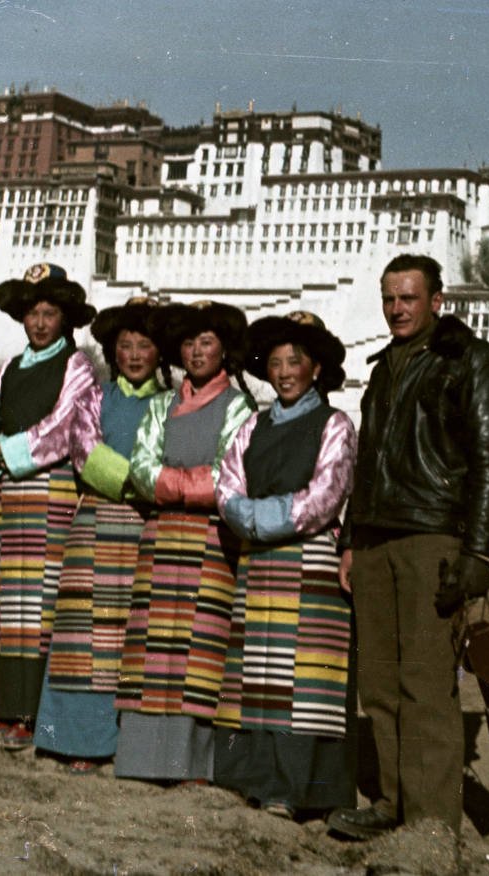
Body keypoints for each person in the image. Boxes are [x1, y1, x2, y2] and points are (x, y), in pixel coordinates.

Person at [327, 254, 489, 837]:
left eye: (409, 298)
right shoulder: (383, 371)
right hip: (377, 541)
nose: (397, 309)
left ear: (438, 300)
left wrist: (479, 553)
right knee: (379, 686)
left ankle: (431, 826)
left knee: (427, 685)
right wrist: (353, 541)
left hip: (433, 536)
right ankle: (390, 806)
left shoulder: (474, 362)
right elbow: (366, 465)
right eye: (389, 299)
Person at [214, 311, 358, 820]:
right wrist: (247, 518)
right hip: (259, 565)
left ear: (316, 368)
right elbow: (226, 484)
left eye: (295, 361)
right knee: (259, 676)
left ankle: (298, 789)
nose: (284, 372)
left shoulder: (335, 425)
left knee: (304, 683)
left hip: (310, 561)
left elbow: (325, 496)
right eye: (274, 363)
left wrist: (257, 518)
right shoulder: (253, 425)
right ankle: (255, 779)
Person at [115, 300, 256, 784]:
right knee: (154, 648)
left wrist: (170, 485)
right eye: (189, 343)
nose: (197, 352)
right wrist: (186, 484)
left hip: (212, 542)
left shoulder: (238, 407)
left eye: (207, 342)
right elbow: (139, 468)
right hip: (159, 540)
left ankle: (194, 762)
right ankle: (141, 758)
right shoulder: (159, 405)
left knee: (200, 647)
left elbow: (228, 476)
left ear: (224, 350)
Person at [33, 297, 166, 773]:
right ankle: (73, 739)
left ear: (159, 352)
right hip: (95, 526)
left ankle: (122, 742)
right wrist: (147, 484)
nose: (133, 355)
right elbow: (85, 452)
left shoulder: (170, 404)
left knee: (132, 638)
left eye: (144, 346)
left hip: (147, 532)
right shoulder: (95, 397)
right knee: (83, 637)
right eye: (124, 346)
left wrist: (157, 486)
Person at [0, 263, 98, 751]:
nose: (38, 323)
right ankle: (10, 710)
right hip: (10, 494)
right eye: (32, 313)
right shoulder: (10, 368)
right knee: (9, 603)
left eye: (49, 313)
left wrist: (6, 452)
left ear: (64, 318)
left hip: (50, 491)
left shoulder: (77, 366)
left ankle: (38, 717)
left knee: (43, 604)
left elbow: (63, 427)